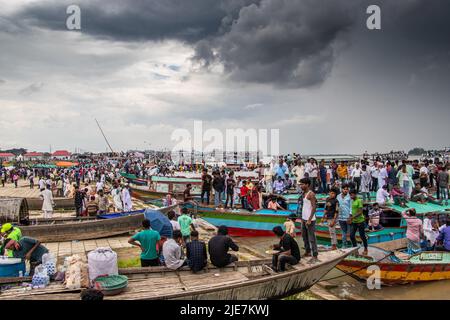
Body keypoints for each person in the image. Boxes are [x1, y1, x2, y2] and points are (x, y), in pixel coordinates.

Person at [299, 178, 319, 263]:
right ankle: (307, 251)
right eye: (300, 184)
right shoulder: (303, 194)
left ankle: (315, 255)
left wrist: (310, 219)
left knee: (312, 238)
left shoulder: (311, 194)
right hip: (304, 219)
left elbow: (314, 207)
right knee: (304, 236)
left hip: (310, 219)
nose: (301, 186)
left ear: (307, 184)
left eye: (302, 184)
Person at [349, 190, 368, 255]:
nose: (351, 196)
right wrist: (351, 218)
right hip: (354, 221)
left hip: (360, 221)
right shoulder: (352, 201)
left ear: (355, 194)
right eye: (350, 195)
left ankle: (365, 248)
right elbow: (352, 211)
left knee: (362, 236)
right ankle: (355, 249)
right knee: (351, 236)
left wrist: (352, 217)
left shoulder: (359, 201)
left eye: (352, 195)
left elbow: (360, 212)